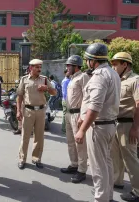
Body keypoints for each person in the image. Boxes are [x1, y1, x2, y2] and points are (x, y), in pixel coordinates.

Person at [74, 43, 121, 202]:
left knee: (98, 168)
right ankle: (108, 197)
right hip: (109, 125)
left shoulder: (99, 76)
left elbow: (95, 106)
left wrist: (81, 130)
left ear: (93, 60)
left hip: (99, 127)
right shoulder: (112, 73)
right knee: (106, 163)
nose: (87, 62)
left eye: (87, 59)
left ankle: (100, 198)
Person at [110, 52, 139, 202]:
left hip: (127, 125)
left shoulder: (138, 80)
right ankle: (117, 181)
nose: (113, 66)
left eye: (115, 64)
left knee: (130, 159)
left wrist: (135, 128)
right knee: (116, 156)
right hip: (116, 123)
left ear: (125, 64)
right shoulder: (118, 81)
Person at [16, 59, 57, 169]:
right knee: (25, 136)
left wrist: (47, 88)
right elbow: (19, 96)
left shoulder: (44, 80)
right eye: (37, 67)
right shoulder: (24, 80)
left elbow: (54, 92)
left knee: (39, 137)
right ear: (31, 68)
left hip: (41, 111)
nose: (39, 69)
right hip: (28, 111)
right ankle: (22, 159)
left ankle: (36, 158)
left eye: (40, 67)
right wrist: (18, 111)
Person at [61, 55, 90, 183]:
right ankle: (74, 164)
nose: (67, 67)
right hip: (69, 113)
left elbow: (87, 97)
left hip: (78, 114)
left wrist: (83, 116)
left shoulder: (83, 77)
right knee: (70, 142)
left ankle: (82, 170)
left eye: (69, 65)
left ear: (76, 66)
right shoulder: (72, 79)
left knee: (80, 144)